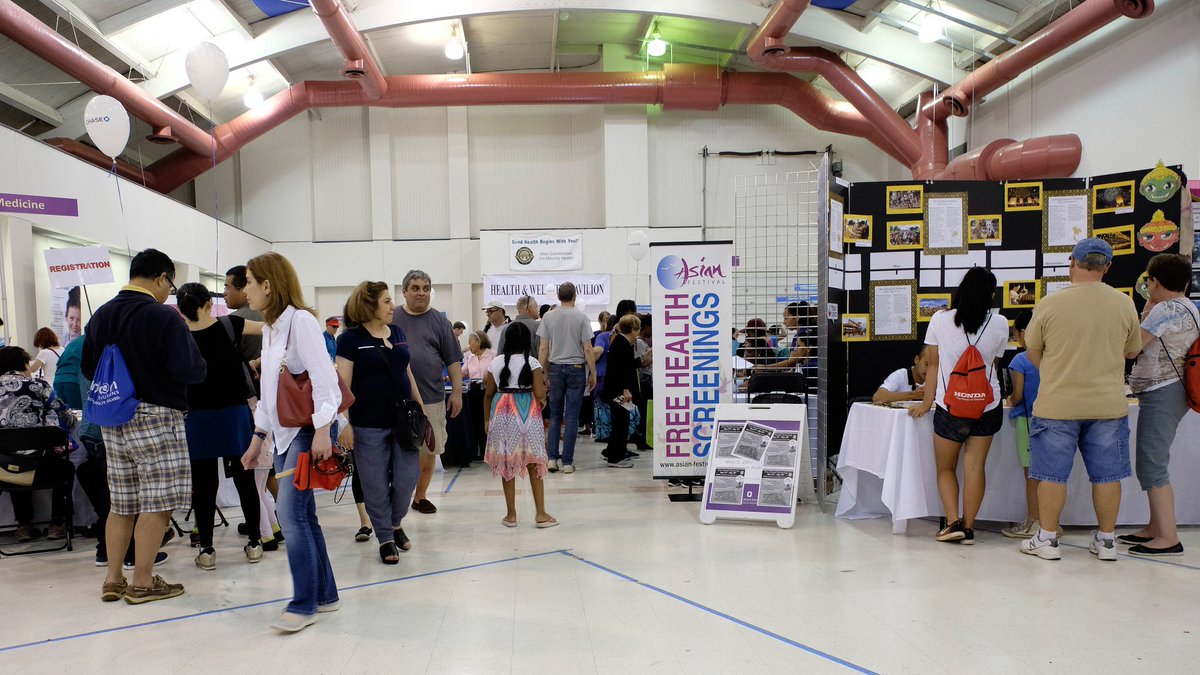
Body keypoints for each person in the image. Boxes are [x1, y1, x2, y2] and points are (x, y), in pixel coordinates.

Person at [82, 249, 206, 604]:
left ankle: (113, 579)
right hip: (157, 416)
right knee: (158, 501)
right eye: (171, 284)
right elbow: (189, 369)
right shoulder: (162, 315)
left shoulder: (101, 315)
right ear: (162, 278)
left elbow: (89, 367)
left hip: (113, 418)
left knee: (122, 503)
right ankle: (143, 582)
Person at [1019, 238, 1141, 562]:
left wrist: (1056, 371)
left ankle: (1047, 539)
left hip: (1057, 403)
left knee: (1051, 476)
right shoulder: (1124, 304)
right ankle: (1107, 541)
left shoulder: (1049, 304)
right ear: (1108, 267)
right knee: (1107, 476)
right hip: (1107, 404)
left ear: (1072, 262)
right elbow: (1132, 351)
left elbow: (1033, 351)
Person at [238, 252, 341, 632]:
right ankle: (325, 595)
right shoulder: (270, 329)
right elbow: (270, 393)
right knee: (304, 515)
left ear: (268, 285)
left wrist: (321, 430)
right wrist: (257, 438)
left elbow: (326, 380)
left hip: (306, 431)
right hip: (282, 435)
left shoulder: (301, 322)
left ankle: (303, 603)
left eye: (250, 282)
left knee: (290, 515)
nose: (246, 290)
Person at [910, 267, 1009, 544]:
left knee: (945, 468)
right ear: (991, 295)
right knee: (975, 467)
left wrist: (926, 403)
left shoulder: (939, 320)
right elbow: (993, 365)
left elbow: (932, 365)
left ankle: (952, 522)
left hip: (950, 408)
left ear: (961, 290)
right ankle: (968, 527)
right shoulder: (1000, 323)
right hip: (987, 406)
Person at [176, 283, 266, 570]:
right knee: (244, 479)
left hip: (197, 418)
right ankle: (254, 543)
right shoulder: (230, 324)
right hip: (234, 414)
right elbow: (269, 328)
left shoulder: (179, 335)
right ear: (207, 303)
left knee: (203, 485)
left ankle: (207, 550)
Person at [335, 281, 424, 565]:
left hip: (404, 421)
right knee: (374, 485)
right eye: (386, 301)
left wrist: (421, 409)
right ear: (369, 305)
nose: (392, 306)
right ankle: (386, 536)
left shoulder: (397, 332)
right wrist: (344, 424)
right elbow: (343, 385)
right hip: (367, 424)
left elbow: (407, 373)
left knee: (407, 479)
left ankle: (395, 522)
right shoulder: (350, 339)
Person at [1119, 253, 1200, 556]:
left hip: (1162, 391)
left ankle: (1167, 536)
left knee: (1152, 464)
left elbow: (1132, 349)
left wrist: (1144, 312)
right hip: (1173, 390)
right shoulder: (1188, 306)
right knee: (1154, 461)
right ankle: (1155, 527)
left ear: (1154, 281)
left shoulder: (1165, 309)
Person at [391, 270, 463, 515]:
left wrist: (456, 393)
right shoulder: (392, 318)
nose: (421, 293)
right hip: (397, 399)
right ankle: (397, 497)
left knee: (429, 450)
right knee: (397, 450)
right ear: (404, 292)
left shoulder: (439, 322)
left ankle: (420, 496)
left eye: (425, 288)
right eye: (415, 288)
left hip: (431, 398)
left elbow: (452, 360)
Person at [0, 346, 76, 542]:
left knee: (13, 459)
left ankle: (23, 525)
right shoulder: (38, 386)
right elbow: (66, 417)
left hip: (4, 471)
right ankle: (57, 523)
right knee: (65, 466)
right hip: (42, 469)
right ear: (24, 364)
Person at [483, 322, 556, 528]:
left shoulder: (496, 362)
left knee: (507, 463)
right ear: (526, 341)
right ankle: (540, 514)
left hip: (501, 411)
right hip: (527, 412)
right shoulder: (532, 362)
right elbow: (539, 393)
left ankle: (511, 515)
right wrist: (543, 399)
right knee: (534, 461)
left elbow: (488, 394)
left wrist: (487, 420)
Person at [1000, 310, 1058, 539]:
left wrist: (1008, 400)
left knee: (1032, 475)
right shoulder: (1053, 356)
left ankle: (1033, 522)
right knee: (1050, 474)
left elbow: (1018, 395)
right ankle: (1052, 523)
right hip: (1053, 417)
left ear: (1024, 333)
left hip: (1027, 420)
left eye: (1016, 335)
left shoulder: (1020, 360)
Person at [537, 283, 597, 474]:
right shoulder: (581, 317)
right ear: (575, 296)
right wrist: (593, 373)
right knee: (571, 417)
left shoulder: (548, 316)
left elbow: (543, 348)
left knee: (555, 415)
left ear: (558, 296)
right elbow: (587, 348)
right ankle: (568, 462)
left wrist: (541, 372)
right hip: (576, 368)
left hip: (555, 368)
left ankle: (552, 459)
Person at [601, 315, 642, 468]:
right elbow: (621, 370)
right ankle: (616, 457)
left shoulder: (620, 341)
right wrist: (625, 390)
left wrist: (640, 361)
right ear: (634, 329)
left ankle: (612, 452)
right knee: (621, 422)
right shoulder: (623, 344)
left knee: (619, 421)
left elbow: (625, 365)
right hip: (618, 391)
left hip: (615, 389)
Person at [53, 334, 84, 409]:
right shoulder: (92, 341)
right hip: (74, 381)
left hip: (58, 380)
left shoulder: (75, 341)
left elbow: (58, 363)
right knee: (78, 412)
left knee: (60, 412)